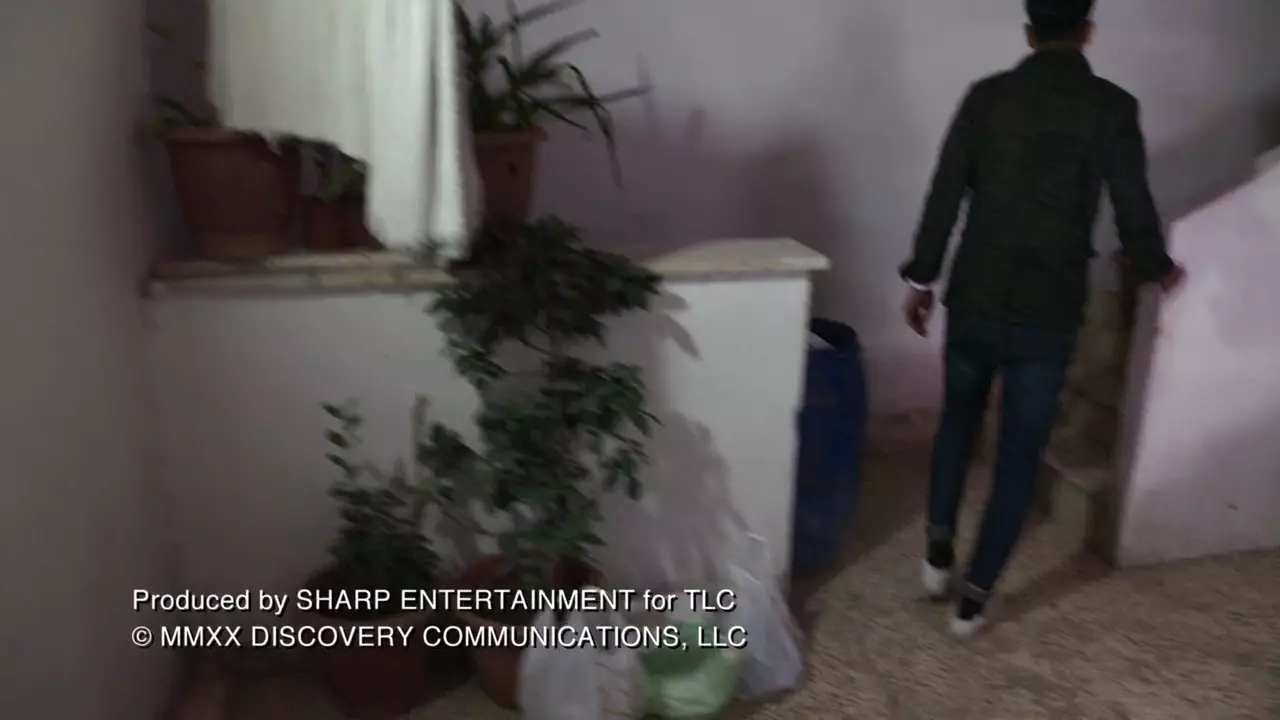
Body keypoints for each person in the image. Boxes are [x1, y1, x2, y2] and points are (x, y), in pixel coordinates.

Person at [898, 0, 1185, 637]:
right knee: (1020, 451)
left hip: (975, 294)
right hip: (1048, 310)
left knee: (958, 422)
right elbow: (1133, 204)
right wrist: (1157, 268)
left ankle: (938, 554)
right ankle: (974, 600)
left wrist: (922, 278)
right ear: (1088, 31)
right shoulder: (1112, 107)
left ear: (1029, 34)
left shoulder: (987, 98)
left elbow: (946, 191)